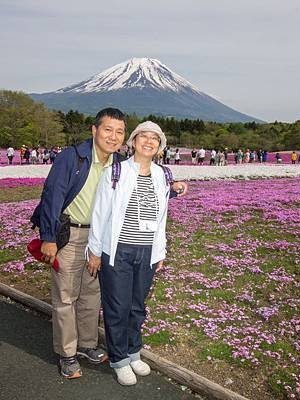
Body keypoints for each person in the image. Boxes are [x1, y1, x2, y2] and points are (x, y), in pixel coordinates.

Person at [31, 108, 187, 380]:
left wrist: (172, 188)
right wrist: (48, 237)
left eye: (119, 132)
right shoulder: (73, 157)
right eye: (107, 130)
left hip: (105, 238)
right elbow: (52, 196)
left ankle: (88, 344)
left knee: (93, 296)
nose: (113, 136)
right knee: (67, 296)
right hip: (71, 234)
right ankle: (67, 353)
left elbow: (138, 198)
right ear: (94, 130)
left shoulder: (119, 163)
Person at [87, 121, 171, 386]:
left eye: (154, 139)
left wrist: (160, 251)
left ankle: (134, 351)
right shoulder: (116, 172)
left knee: (137, 306)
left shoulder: (163, 175)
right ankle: (119, 359)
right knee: (117, 306)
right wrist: (95, 250)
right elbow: (99, 214)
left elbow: (162, 218)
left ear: (160, 147)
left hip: (146, 251)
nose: (148, 142)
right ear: (133, 142)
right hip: (118, 250)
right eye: (143, 137)